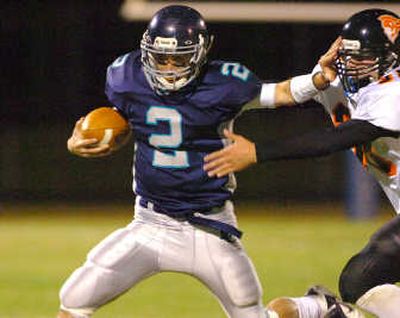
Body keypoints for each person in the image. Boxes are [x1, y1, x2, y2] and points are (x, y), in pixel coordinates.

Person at [57, 4, 337, 318]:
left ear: (201, 53)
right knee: (74, 301)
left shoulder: (223, 83)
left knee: (253, 315)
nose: (168, 68)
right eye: (161, 58)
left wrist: (318, 79)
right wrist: (83, 139)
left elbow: (281, 93)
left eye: (179, 58)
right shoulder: (127, 76)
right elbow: (125, 120)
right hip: (150, 223)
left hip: (209, 227)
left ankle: (314, 307)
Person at [204, 8, 400, 318]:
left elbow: (329, 141)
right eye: (347, 55)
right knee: (359, 281)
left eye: (362, 57)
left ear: (391, 57)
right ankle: (333, 312)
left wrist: (259, 151)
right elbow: (285, 93)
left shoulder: (394, 94)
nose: (350, 65)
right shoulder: (338, 81)